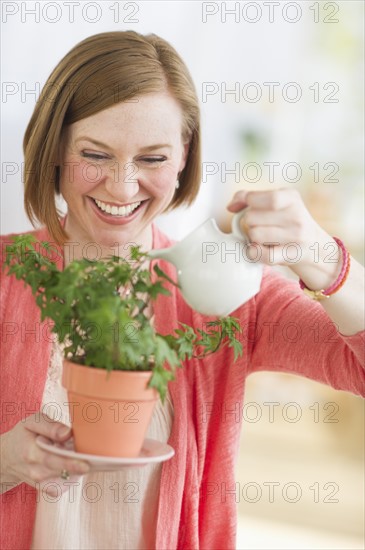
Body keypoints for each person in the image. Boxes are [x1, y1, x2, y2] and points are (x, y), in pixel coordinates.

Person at [0, 31, 364, 550]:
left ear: (184, 156)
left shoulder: (221, 289)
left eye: (152, 159)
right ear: (55, 148)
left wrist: (325, 259)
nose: (122, 187)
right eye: (95, 154)